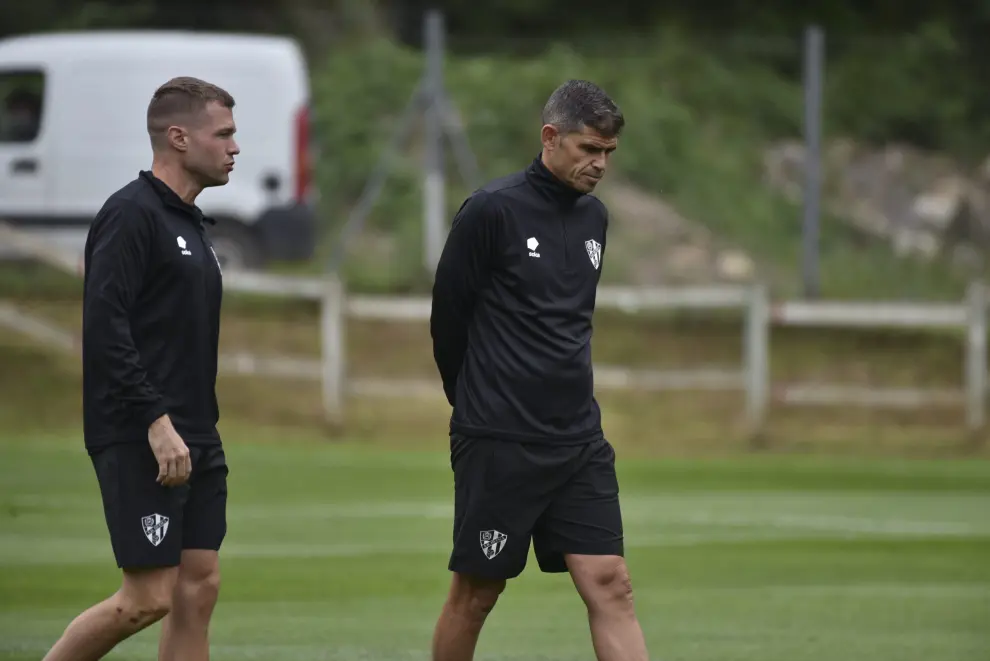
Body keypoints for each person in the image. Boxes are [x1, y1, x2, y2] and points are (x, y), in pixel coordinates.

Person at [429, 79, 650, 661]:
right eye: (588, 150)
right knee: (477, 593)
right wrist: (477, 404)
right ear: (551, 138)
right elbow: (447, 321)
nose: (600, 164)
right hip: (500, 439)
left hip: (578, 440)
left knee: (611, 583)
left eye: (608, 153)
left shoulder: (594, 220)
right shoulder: (491, 211)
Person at [42, 76, 239, 661]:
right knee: (147, 597)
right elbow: (105, 330)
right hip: (142, 432)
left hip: (197, 432)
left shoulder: (192, 225)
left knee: (198, 584)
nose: (234, 147)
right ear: (178, 137)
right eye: (223, 133)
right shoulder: (130, 216)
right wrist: (156, 422)